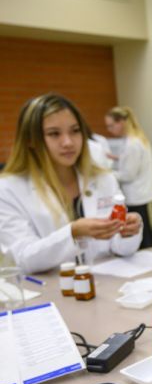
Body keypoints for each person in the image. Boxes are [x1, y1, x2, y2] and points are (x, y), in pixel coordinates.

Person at [0, 94, 142, 274]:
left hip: (104, 286)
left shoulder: (103, 179)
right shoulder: (7, 189)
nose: (68, 142)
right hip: (50, 293)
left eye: (75, 131)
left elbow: (120, 249)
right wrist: (73, 232)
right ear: (30, 140)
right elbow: (22, 258)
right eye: (54, 134)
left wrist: (127, 232)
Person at [105, 106, 152, 248]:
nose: (109, 130)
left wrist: (106, 174)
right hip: (142, 192)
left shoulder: (132, 144)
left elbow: (128, 175)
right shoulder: (138, 139)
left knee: (142, 234)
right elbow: (132, 161)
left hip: (135, 195)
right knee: (146, 232)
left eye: (111, 125)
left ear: (120, 122)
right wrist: (117, 158)